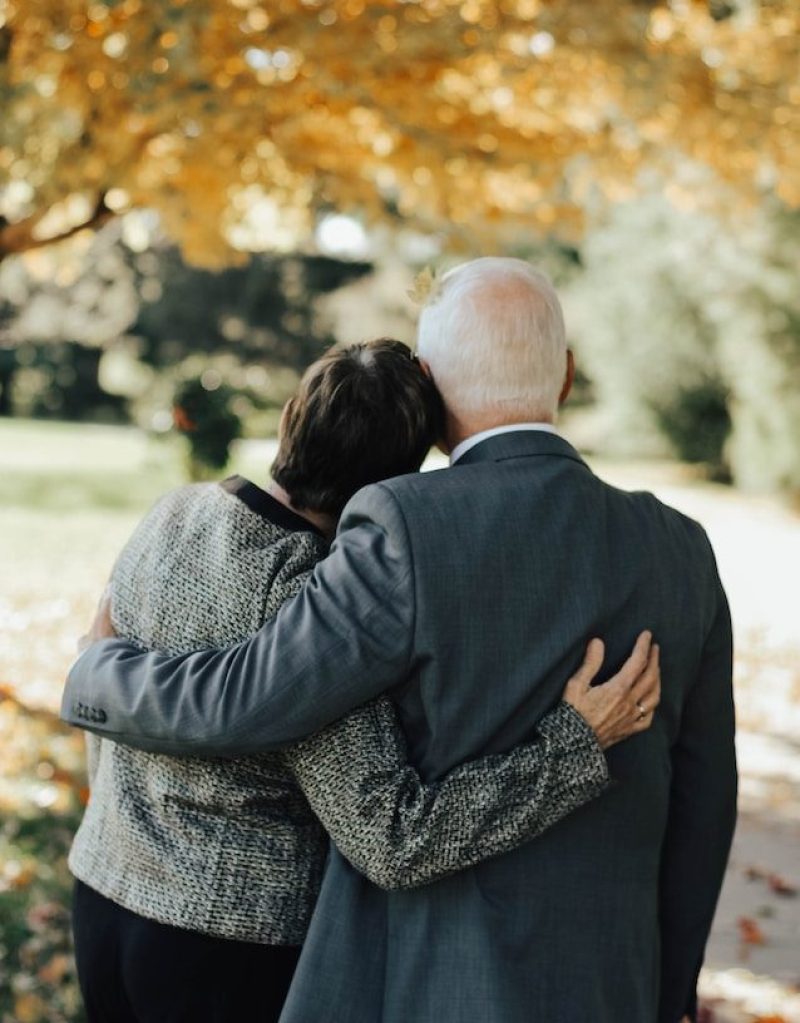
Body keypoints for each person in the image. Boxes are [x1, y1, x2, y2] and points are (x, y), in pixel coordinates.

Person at [64, 258, 736, 1023]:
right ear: (568, 374)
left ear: (433, 380)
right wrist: (672, 981)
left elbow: (249, 699)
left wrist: (98, 668)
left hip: (422, 981)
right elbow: (705, 797)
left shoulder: (390, 530)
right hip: (616, 979)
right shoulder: (684, 547)